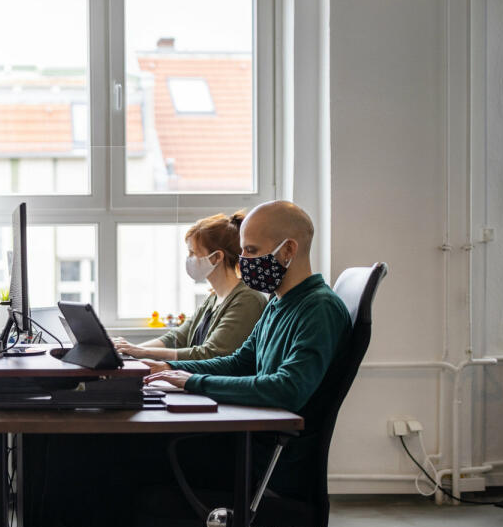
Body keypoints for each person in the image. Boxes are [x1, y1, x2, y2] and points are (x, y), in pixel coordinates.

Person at [144, 199, 351, 497]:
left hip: (268, 461)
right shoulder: (277, 302)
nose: (242, 260)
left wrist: (194, 382)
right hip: (250, 443)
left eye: (251, 251)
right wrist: (172, 369)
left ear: (288, 250)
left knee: (131, 455)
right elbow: (240, 361)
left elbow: (287, 388)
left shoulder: (318, 308)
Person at [113, 211, 266, 362]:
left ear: (216, 257)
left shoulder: (247, 300)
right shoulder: (213, 298)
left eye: (193, 252)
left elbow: (210, 354)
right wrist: (129, 352)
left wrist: (141, 352)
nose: (189, 258)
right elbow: (177, 338)